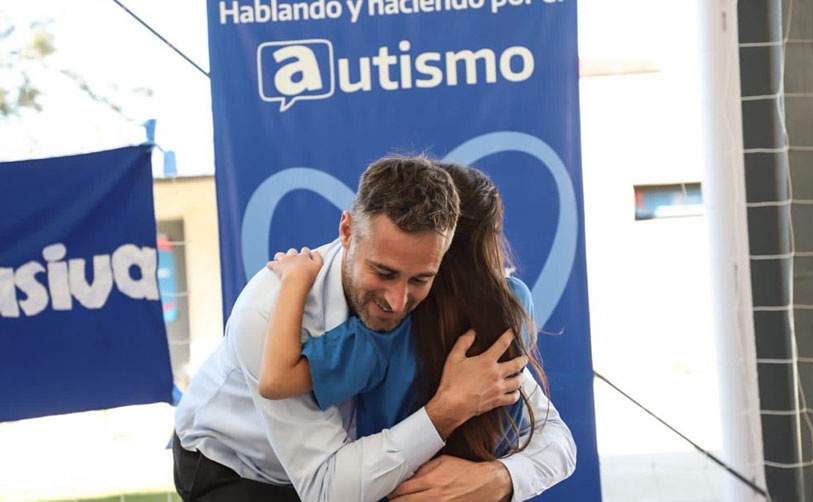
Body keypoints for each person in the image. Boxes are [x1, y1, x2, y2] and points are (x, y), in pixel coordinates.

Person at [173, 156, 575, 502]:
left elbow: (557, 441)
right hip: (242, 469)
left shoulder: (472, 327)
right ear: (346, 232)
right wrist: (446, 410)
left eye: (421, 278)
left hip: (359, 477)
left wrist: (498, 479)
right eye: (383, 271)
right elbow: (325, 485)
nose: (398, 300)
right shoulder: (271, 314)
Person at [258, 162, 567, 474]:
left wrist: (295, 279)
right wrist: (502, 476)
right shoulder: (516, 304)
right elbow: (549, 433)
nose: (397, 298)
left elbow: (276, 379)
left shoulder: (382, 332)